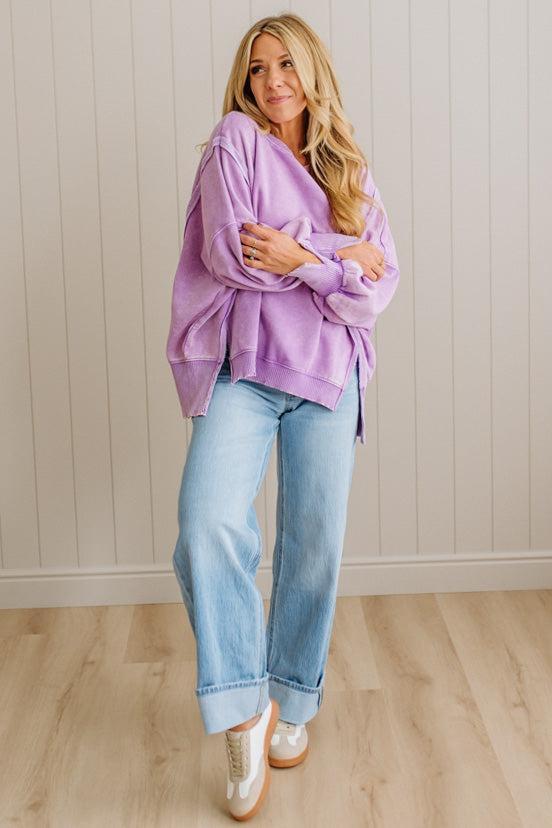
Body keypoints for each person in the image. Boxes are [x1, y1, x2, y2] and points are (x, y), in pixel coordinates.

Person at [166, 12, 400, 821]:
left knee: (314, 547)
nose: (273, 81)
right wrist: (331, 257)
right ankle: (240, 710)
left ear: (312, 74)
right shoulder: (233, 140)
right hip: (248, 371)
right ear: (245, 79)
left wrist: (302, 258)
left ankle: (291, 699)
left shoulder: (348, 167)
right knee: (205, 527)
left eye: (287, 66)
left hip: (331, 376)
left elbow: (377, 292)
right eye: (259, 67)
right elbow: (236, 250)